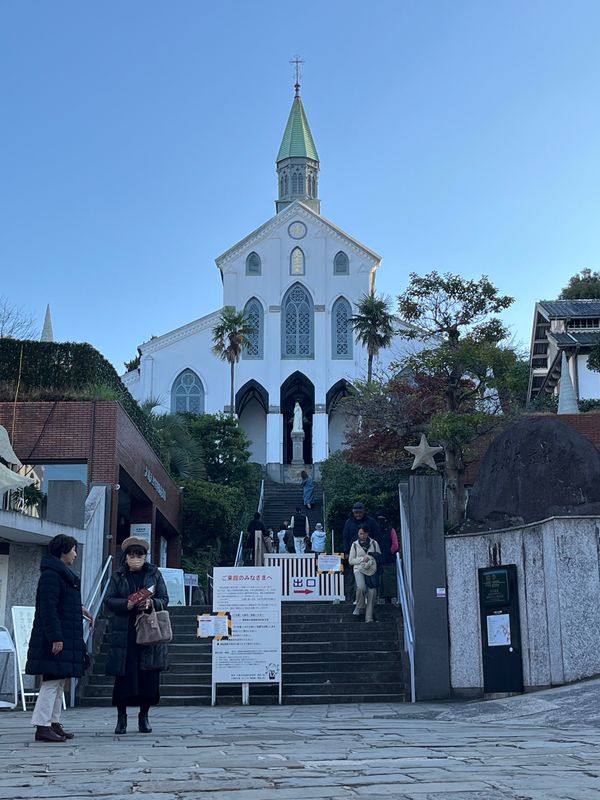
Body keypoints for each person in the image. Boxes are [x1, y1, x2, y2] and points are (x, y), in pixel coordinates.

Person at [26, 534, 93, 742]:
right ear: (63, 551)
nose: (75, 554)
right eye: (73, 550)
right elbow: (48, 609)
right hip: (56, 637)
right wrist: (56, 637)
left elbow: (61, 603)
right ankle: (42, 725)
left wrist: (80, 609)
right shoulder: (52, 576)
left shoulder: (62, 575)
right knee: (51, 681)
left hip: (64, 634)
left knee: (59, 679)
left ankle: (53, 723)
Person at [105, 537, 169, 735]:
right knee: (124, 676)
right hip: (125, 631)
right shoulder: (118, 575)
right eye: (132, 555)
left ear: (145, 557)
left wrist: (152, 604)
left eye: (139, 555)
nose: (135, 559)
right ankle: (121, 717)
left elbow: (164, 599)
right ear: (125, 557)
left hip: (149, 629)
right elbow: (108, 599)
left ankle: (144, 716)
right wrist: (127, 604)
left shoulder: (154, 573)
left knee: (148, 676)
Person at [342, 502, 380, 600]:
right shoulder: (349, 522)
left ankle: (368, 598)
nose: (358, 515)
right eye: (356, 513)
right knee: (355, 576)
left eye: (360, 512)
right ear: (353, 512)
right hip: (354, 552)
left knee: (369, 575)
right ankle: (355, 598)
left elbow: (377, 536)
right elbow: (345, 537)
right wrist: (346, 552)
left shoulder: (371, 522)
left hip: (369, 553)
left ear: (364, 512)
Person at [349, 524, 381, 623]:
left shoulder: (374, 543)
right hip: (358, 569)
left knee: (372, 592)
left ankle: (369, 617)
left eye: (364, 533)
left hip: (371, 569)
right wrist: (362, 559)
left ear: (367, 533)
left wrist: (371, 557)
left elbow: (379, 556)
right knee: (361, 587)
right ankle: (360, 606)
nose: (362, 535)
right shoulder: (354, 545)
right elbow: (351, 560)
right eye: (360, 533)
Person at [375, 509, 399, 603]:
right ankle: (387, 600)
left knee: (386, 581)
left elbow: (395, 545)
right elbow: (395, 545)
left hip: (385, 559)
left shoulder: (382, 530)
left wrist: (389, 552)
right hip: (385, 559)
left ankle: (387, 600)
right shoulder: (390, 530)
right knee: (387, 581)